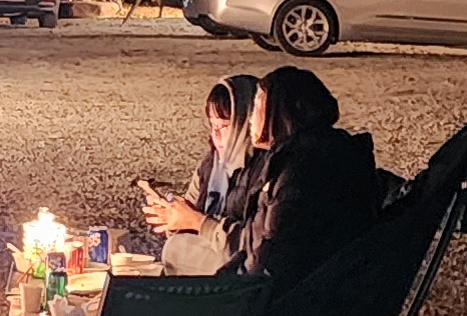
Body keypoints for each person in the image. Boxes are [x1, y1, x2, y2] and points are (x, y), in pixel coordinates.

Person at [230, 65, 379, 285]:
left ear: (279, 111)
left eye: (257, 106)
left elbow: (275, 254)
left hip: (289, 296)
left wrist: (229, 285)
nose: (250, 119)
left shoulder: (302, 170)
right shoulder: (316, 153)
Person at [145, 73, 267, 271]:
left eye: (225, 126)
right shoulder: (211, 166)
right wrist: (174, 217)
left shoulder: (264, 169)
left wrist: (198, 222)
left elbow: (253, 244)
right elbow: (189, 218)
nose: (216, 135)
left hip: (242, 270)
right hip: (208, 256)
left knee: (175, 250)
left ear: (246, 122)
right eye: (212, 125)